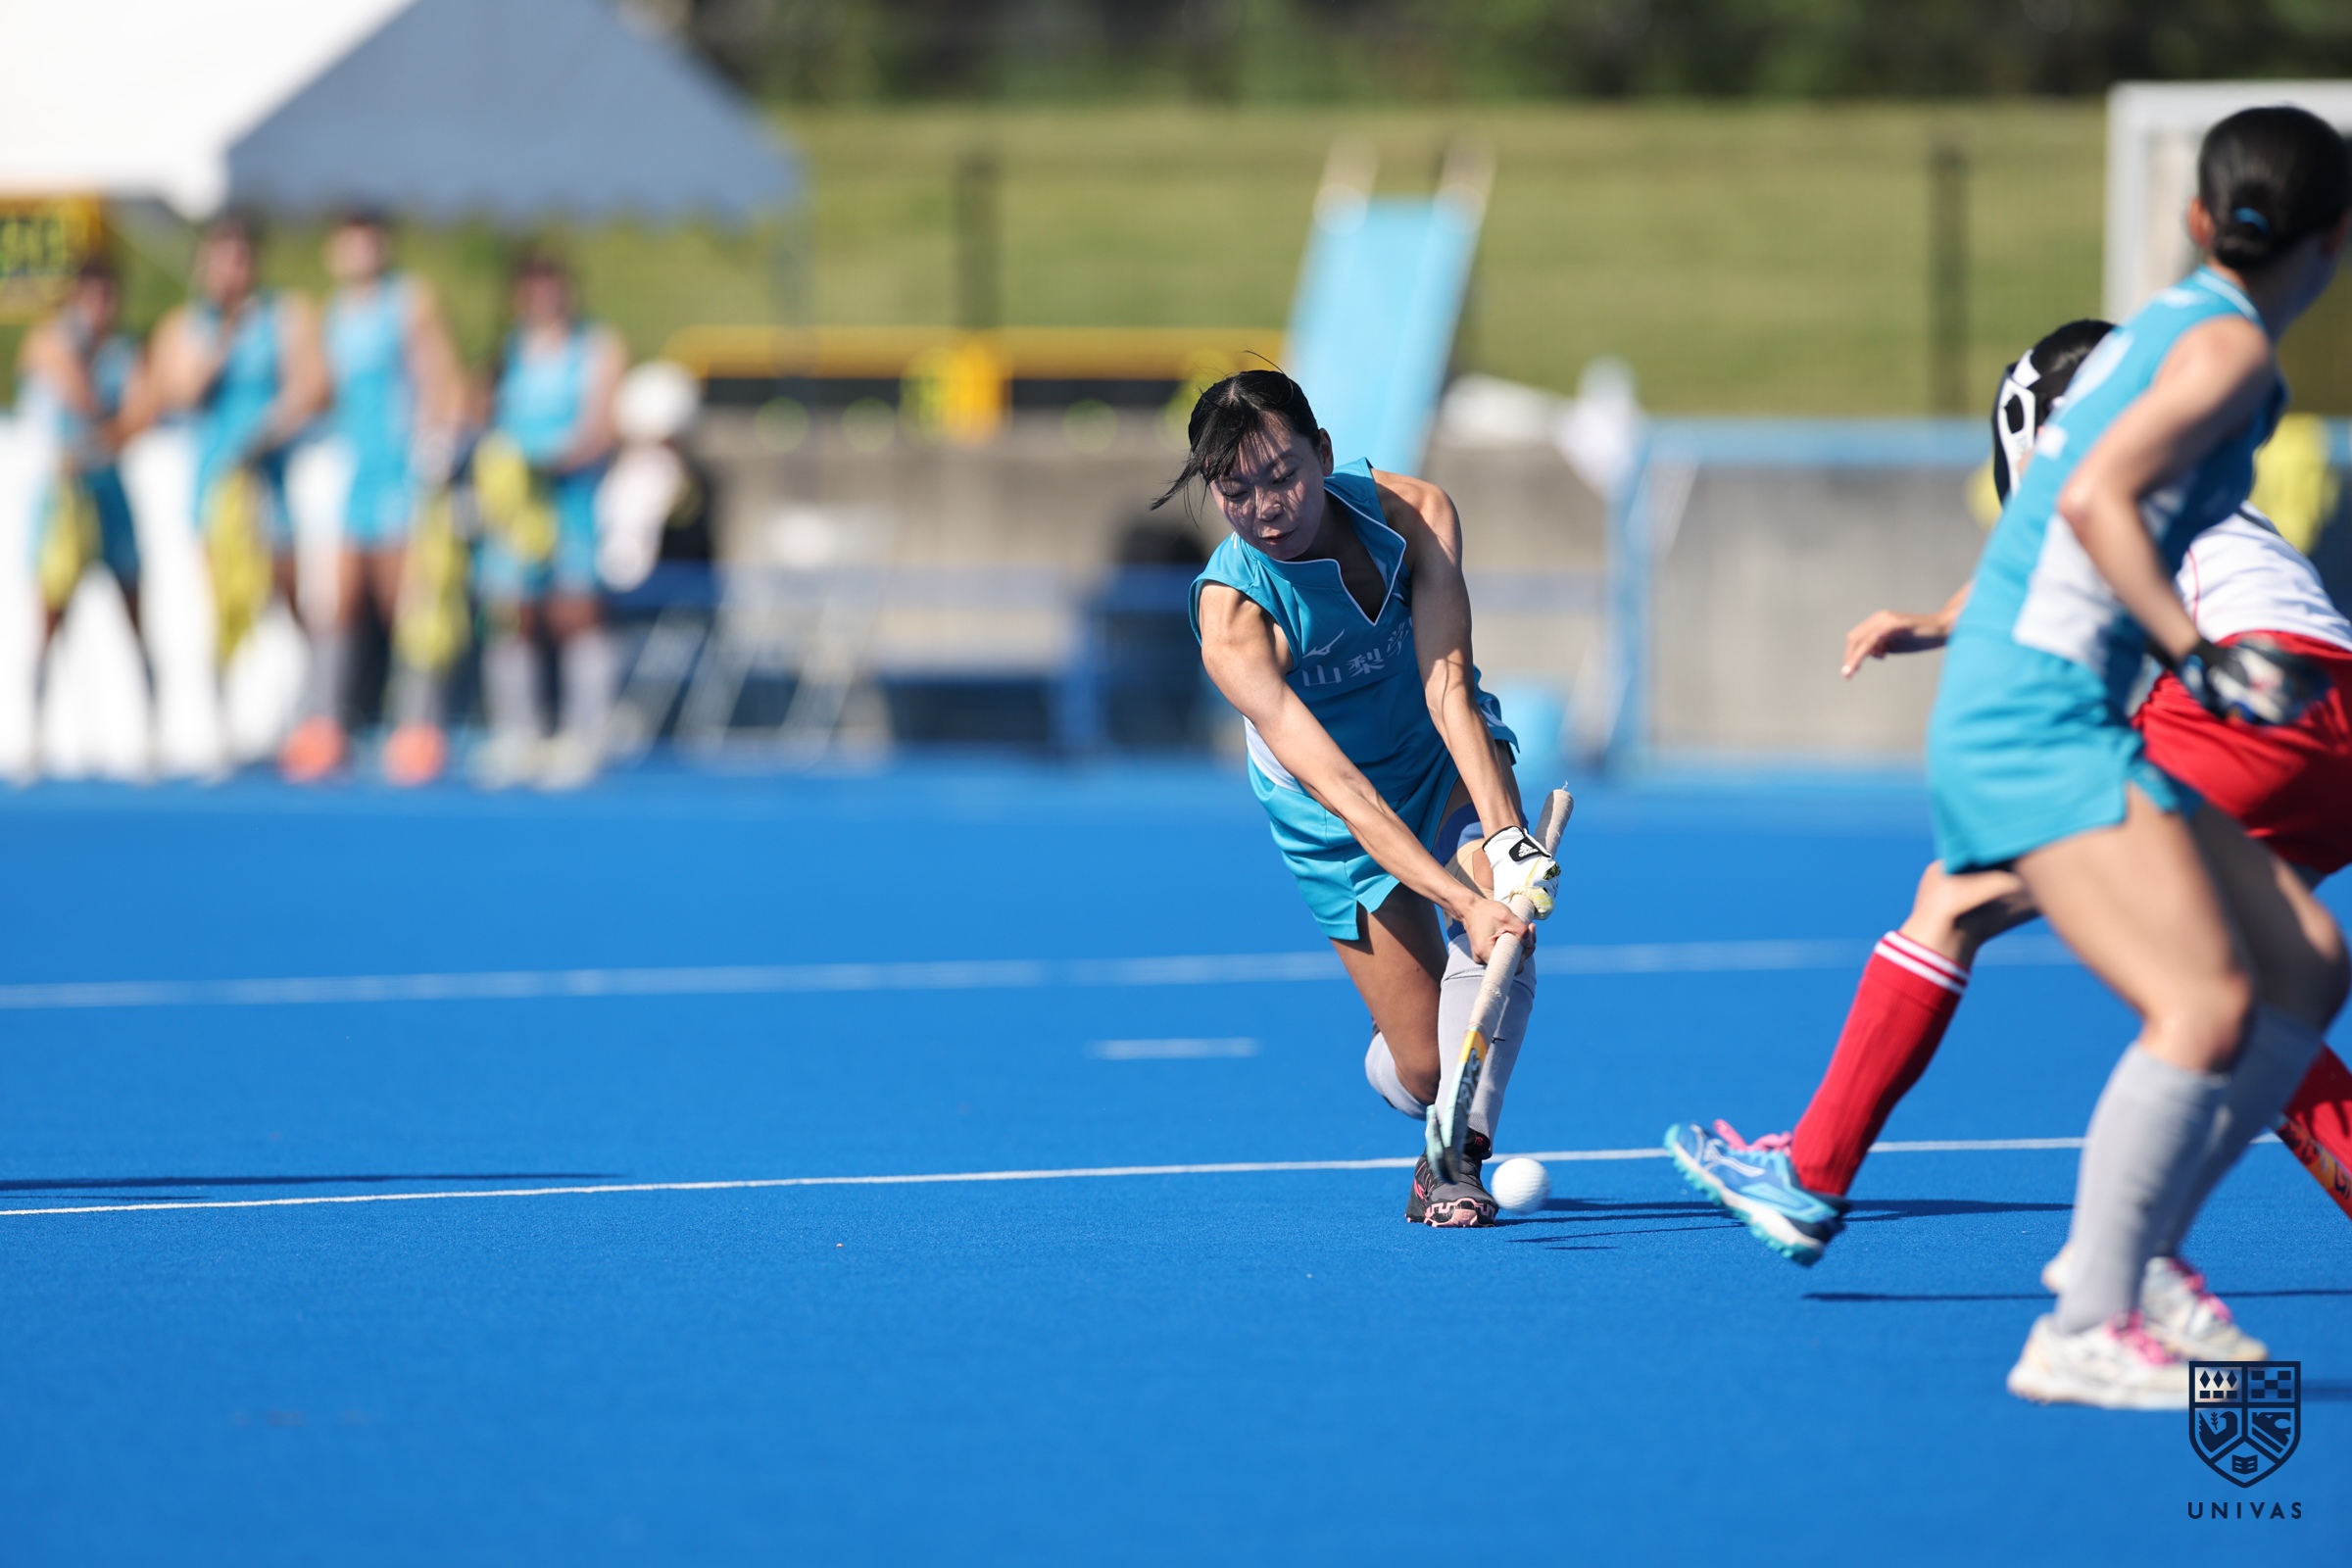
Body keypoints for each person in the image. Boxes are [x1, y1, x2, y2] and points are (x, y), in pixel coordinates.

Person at [1754, 109, 2349, 1411]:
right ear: (2336, 240)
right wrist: (2198, 654)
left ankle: (2121, 1266)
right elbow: (2089, 505)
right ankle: (2097, 1298)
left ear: (2198, 221)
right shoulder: (2224, 352)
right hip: (2067, 715)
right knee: (2204, 996)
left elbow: (2073, 503)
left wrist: (1942, 617)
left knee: (2294, 964)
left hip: (2075, 706)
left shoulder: (2165, 341)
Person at [1175, 370, 1560, 1226]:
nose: (1265, 509)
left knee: (1503, 924)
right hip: (1334, 815)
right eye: (1235, 492)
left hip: (1437, 752)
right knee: (1426, 1067)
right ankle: (1420, 1086)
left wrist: (1504, 848)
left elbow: (1449, 688)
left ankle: (1450, 1161)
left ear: (1322, 454)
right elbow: (1345, 794)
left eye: (1283, 476)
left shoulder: (1413, 515)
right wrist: (1460, 901)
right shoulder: (1233, 620)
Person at [281, 209, 463, 786]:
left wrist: (436, 443)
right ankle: (326, 724)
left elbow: (440, 378)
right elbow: (318, 391)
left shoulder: (409, 301)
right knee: (337, 602)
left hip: (400, 474)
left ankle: (417, 726)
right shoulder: (332, 314)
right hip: (351, 475)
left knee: (405, 603)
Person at [148, 213, 328, 681]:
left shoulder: (284, 314)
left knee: (287, 592)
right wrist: (221, 342)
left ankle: (315, 694)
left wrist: (269, 429)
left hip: (267, 479)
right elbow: (174, 394)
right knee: (223, 604)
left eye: (240, 260)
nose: (231, 272)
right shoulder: (187, 325)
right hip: (215, 484)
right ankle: (223, 703)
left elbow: (314, 387)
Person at [470, 253, 625, 790]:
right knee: (509, 613)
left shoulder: (596, 348)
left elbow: (603, 428)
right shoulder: (507, 353)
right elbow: (481, 416)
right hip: (516, 508)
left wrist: (553, 460)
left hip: (571, 499)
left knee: (576, 611)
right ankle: (518, 731)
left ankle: (586, 733)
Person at [17, 256, 150, 672]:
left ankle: (148, 685)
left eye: (107, 297)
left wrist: (99, 434)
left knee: (132, 595)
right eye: (92, 297)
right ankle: (39, 691)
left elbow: (137, 417)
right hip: (63, 495)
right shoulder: (54, 340)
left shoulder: (122, 352)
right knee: (53, 600)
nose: (100, 308)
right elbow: (61, 373)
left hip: (107, 488)